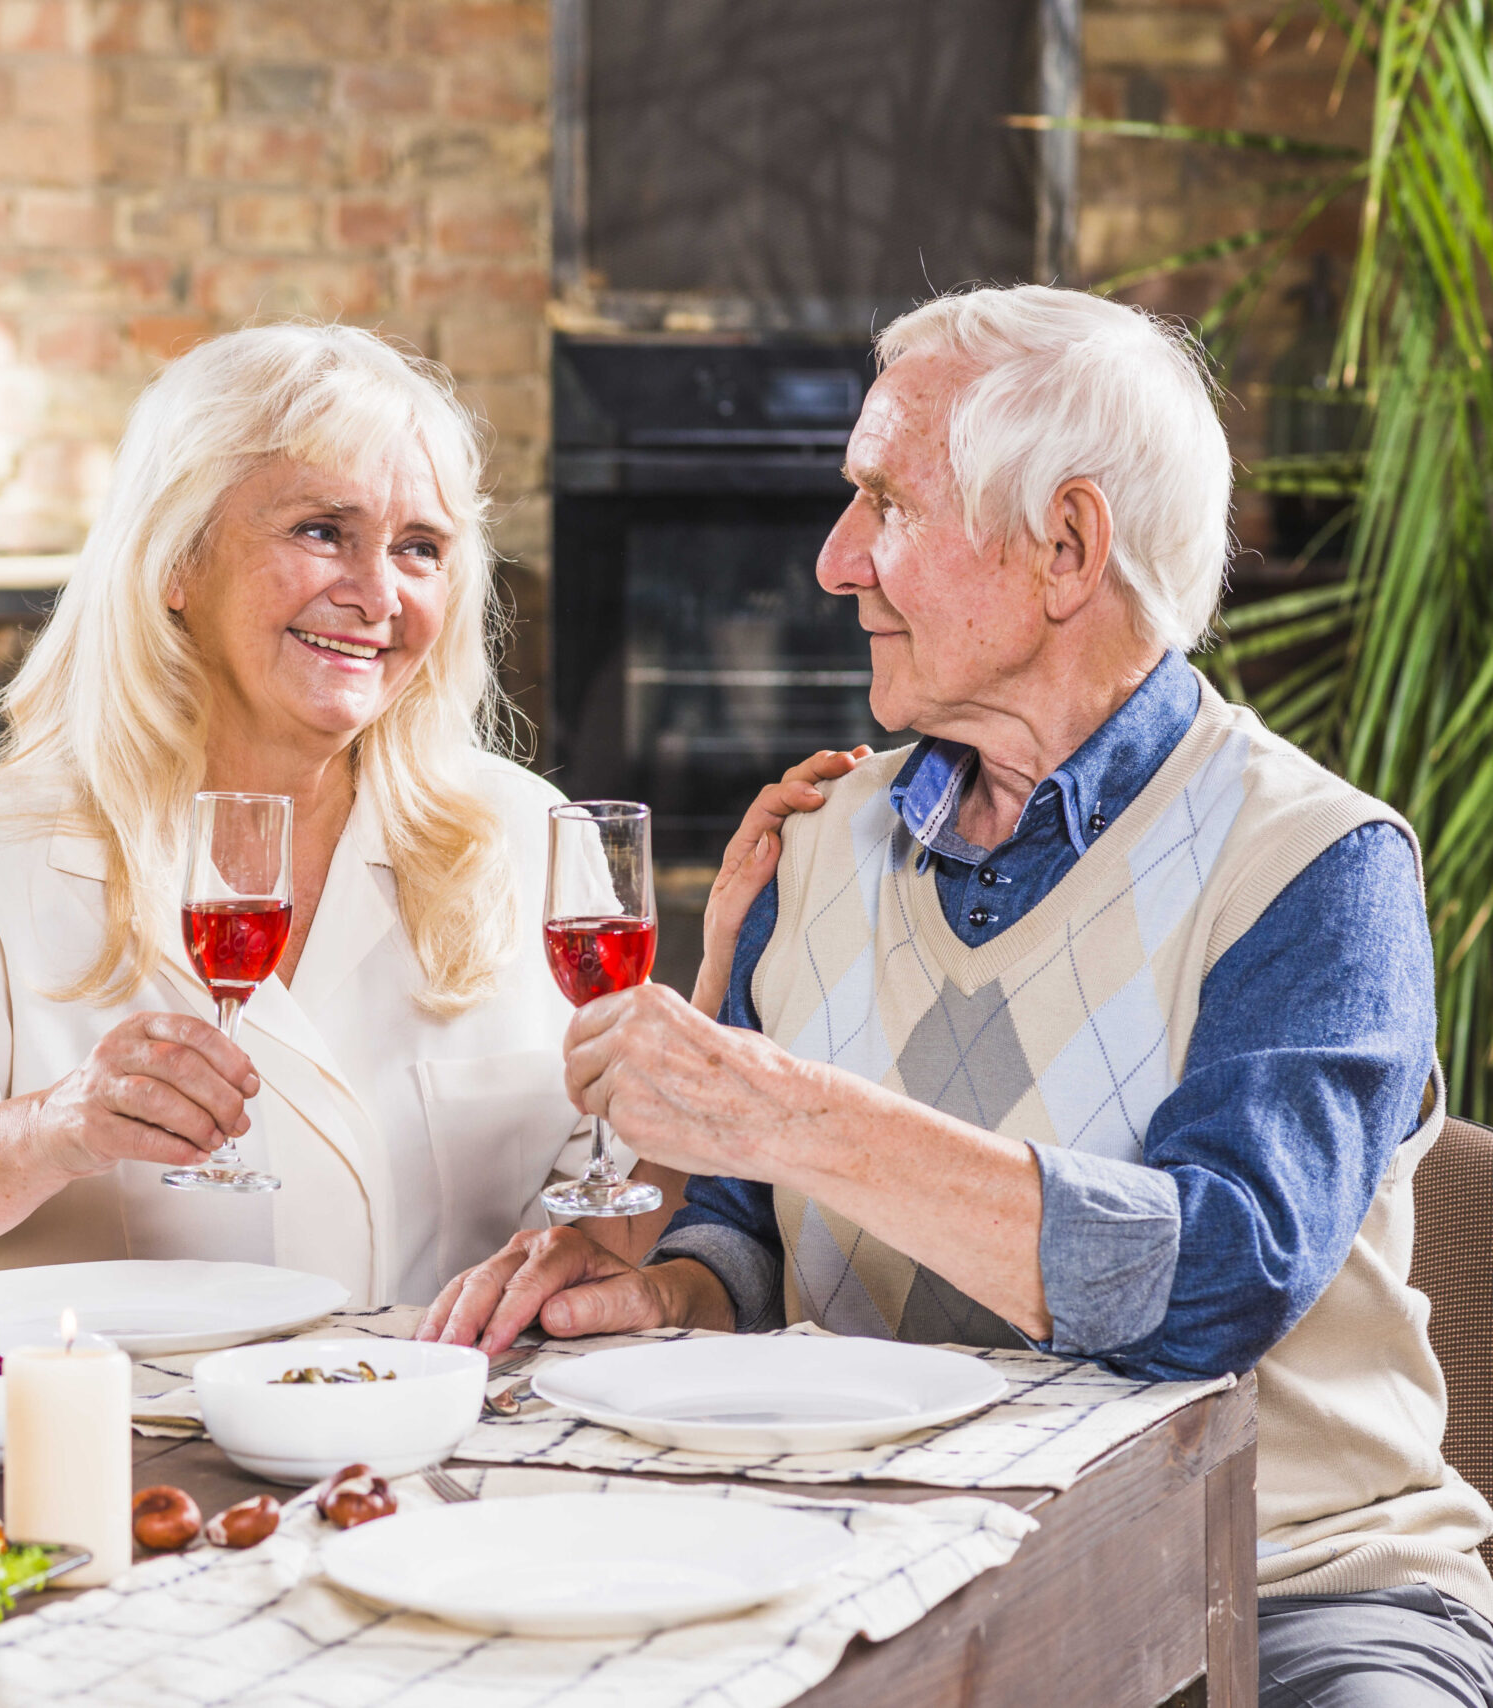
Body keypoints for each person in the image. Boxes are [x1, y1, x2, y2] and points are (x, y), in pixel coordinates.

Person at [426, 284, 1493, 1704]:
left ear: (1067, 547)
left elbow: (1220, 1276)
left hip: (1284, 1587)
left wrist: (796, 1117)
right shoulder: (811, 843)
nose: (833, 560)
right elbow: (746, 1235)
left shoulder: (1313, 865)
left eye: (887, 503)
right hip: (881, 1577)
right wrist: (664, 1293)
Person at [0, 323, 682, 1309]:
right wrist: (56, 1129)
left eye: (419, 548)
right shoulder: (0, 859)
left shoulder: (520, 834)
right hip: (137, 1457)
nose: (376, 595)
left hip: (451, 1452)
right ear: (174, 560)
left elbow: (616, 1224)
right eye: (322, 529)